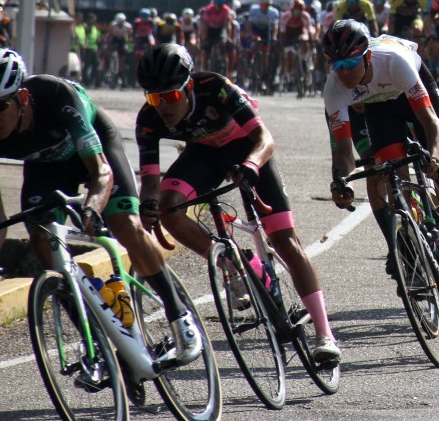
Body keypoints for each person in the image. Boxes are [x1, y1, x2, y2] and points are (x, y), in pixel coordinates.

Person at [0, 48, 202, 364]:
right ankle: (99, 343)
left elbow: (101, 173)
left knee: (125, 225)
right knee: (42, 239)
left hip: (94, 153)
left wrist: (91, 209)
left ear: (21, 97)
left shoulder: (56, 95)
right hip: (47, 167)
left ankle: (179, 315)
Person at [135, 43, 341, 364]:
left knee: (285, 241)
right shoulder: (148, 118)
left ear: (188, 86)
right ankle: (232, 267)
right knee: (168, 207)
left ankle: (324, 334)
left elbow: (265, 139)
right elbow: (149, 180)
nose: (162, 105)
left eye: (171, 96)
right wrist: (146, 204)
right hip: (204, 155)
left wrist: (251, 166)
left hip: (248, 150)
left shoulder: (215, 88)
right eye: (153, 97)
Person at [323, 21, 439, 304]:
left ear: (366, 56)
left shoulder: (394, 61)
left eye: (350, 63)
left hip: (411, 92)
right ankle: (403, 249)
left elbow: (430, 123)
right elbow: (343, 152)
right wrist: (340, 182)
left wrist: (434, 157)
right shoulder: (334, 88)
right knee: (384, 173)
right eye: (336, 64)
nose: (343, 71)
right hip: (378, 109)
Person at [74, 12, 102, 87]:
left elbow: (97, 36)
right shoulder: (84, 27)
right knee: (86, 66)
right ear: (89, 20)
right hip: (87, 49)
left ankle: (94, 81)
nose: (94, 21)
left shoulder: (94, 28)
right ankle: (86, 82)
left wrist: (99, 39)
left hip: (94, 49)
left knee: (97, 65)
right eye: (93, 20)